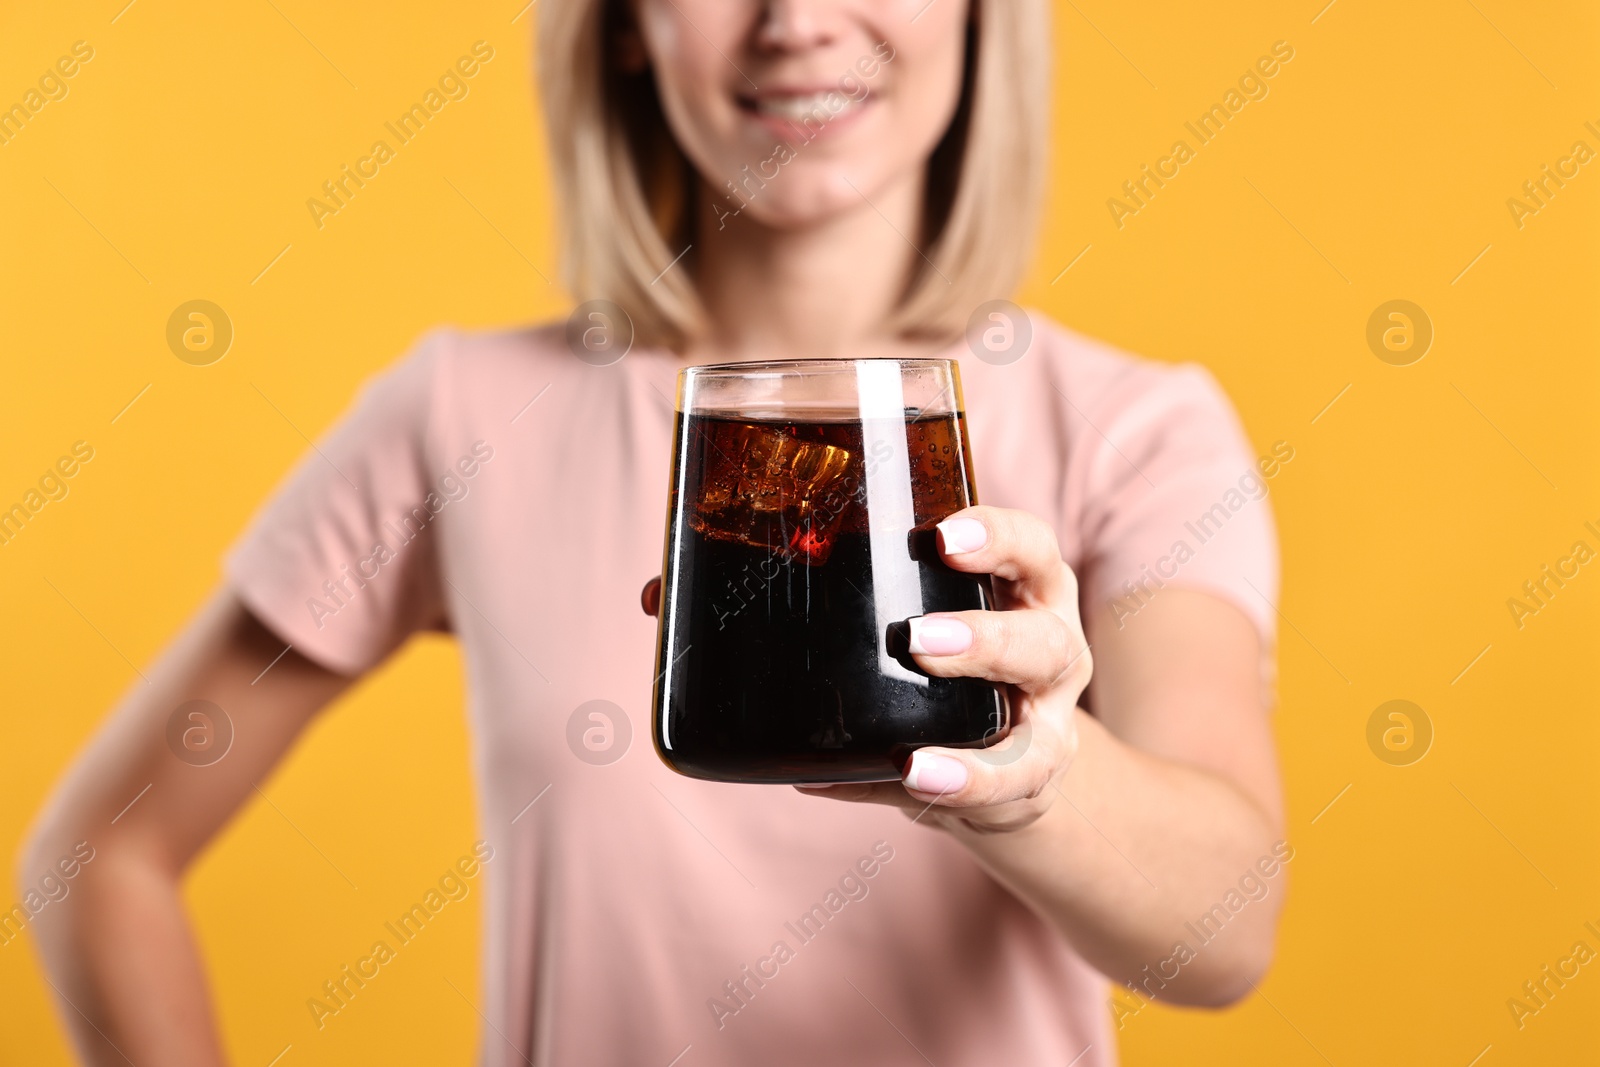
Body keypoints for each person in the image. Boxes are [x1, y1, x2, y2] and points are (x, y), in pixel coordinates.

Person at [21, 2, 1287, 1064]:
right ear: (623, 28)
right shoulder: (460, 413)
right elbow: (101, 853)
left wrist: (1036, 780)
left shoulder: (1136, 429)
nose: (795, 20)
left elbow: (1226, 927)